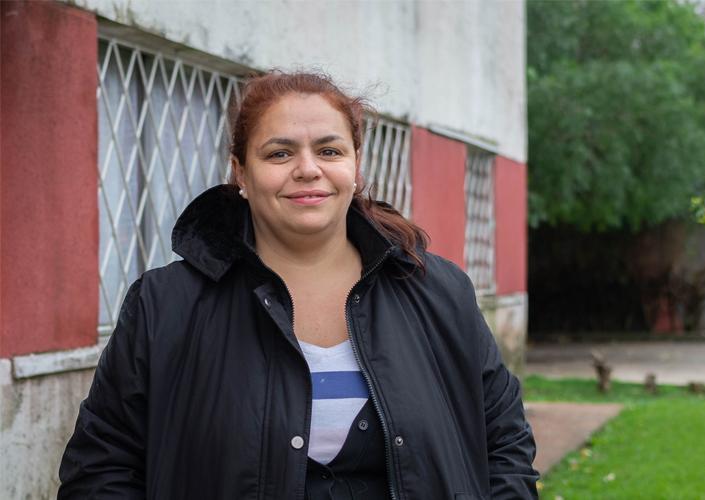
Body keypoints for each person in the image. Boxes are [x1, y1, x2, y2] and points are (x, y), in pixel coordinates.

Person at [59, 71, 538, 499]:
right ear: (241, 173)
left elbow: (505, 444)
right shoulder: (165, 306)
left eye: (329, 150)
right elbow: (102, 468)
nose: (308, 168)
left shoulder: (439, 293)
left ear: (356, 166)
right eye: (280, 152)